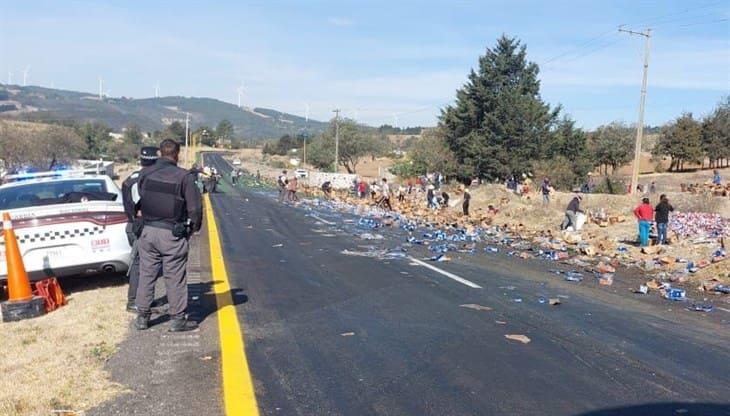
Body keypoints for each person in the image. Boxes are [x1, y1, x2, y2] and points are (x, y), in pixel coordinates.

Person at [135, 139, 202, 332]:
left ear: (159, 153)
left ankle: (142, 318)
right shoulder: (184, 177)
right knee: (175, 277)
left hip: (147, 232)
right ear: (177, 154)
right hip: (171, 233)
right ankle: (178, 319)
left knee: (147, 274)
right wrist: (192, 229)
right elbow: (195, 209)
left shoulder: (145, 173)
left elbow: (139, 196)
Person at [121, 146, 159, 313]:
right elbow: (140, 205)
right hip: (141, 225)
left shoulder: (130, 178)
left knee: (144, 264)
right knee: (140, 265)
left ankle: (142, 300)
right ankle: (134, 301)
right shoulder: (143, 179)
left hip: (132, 224)